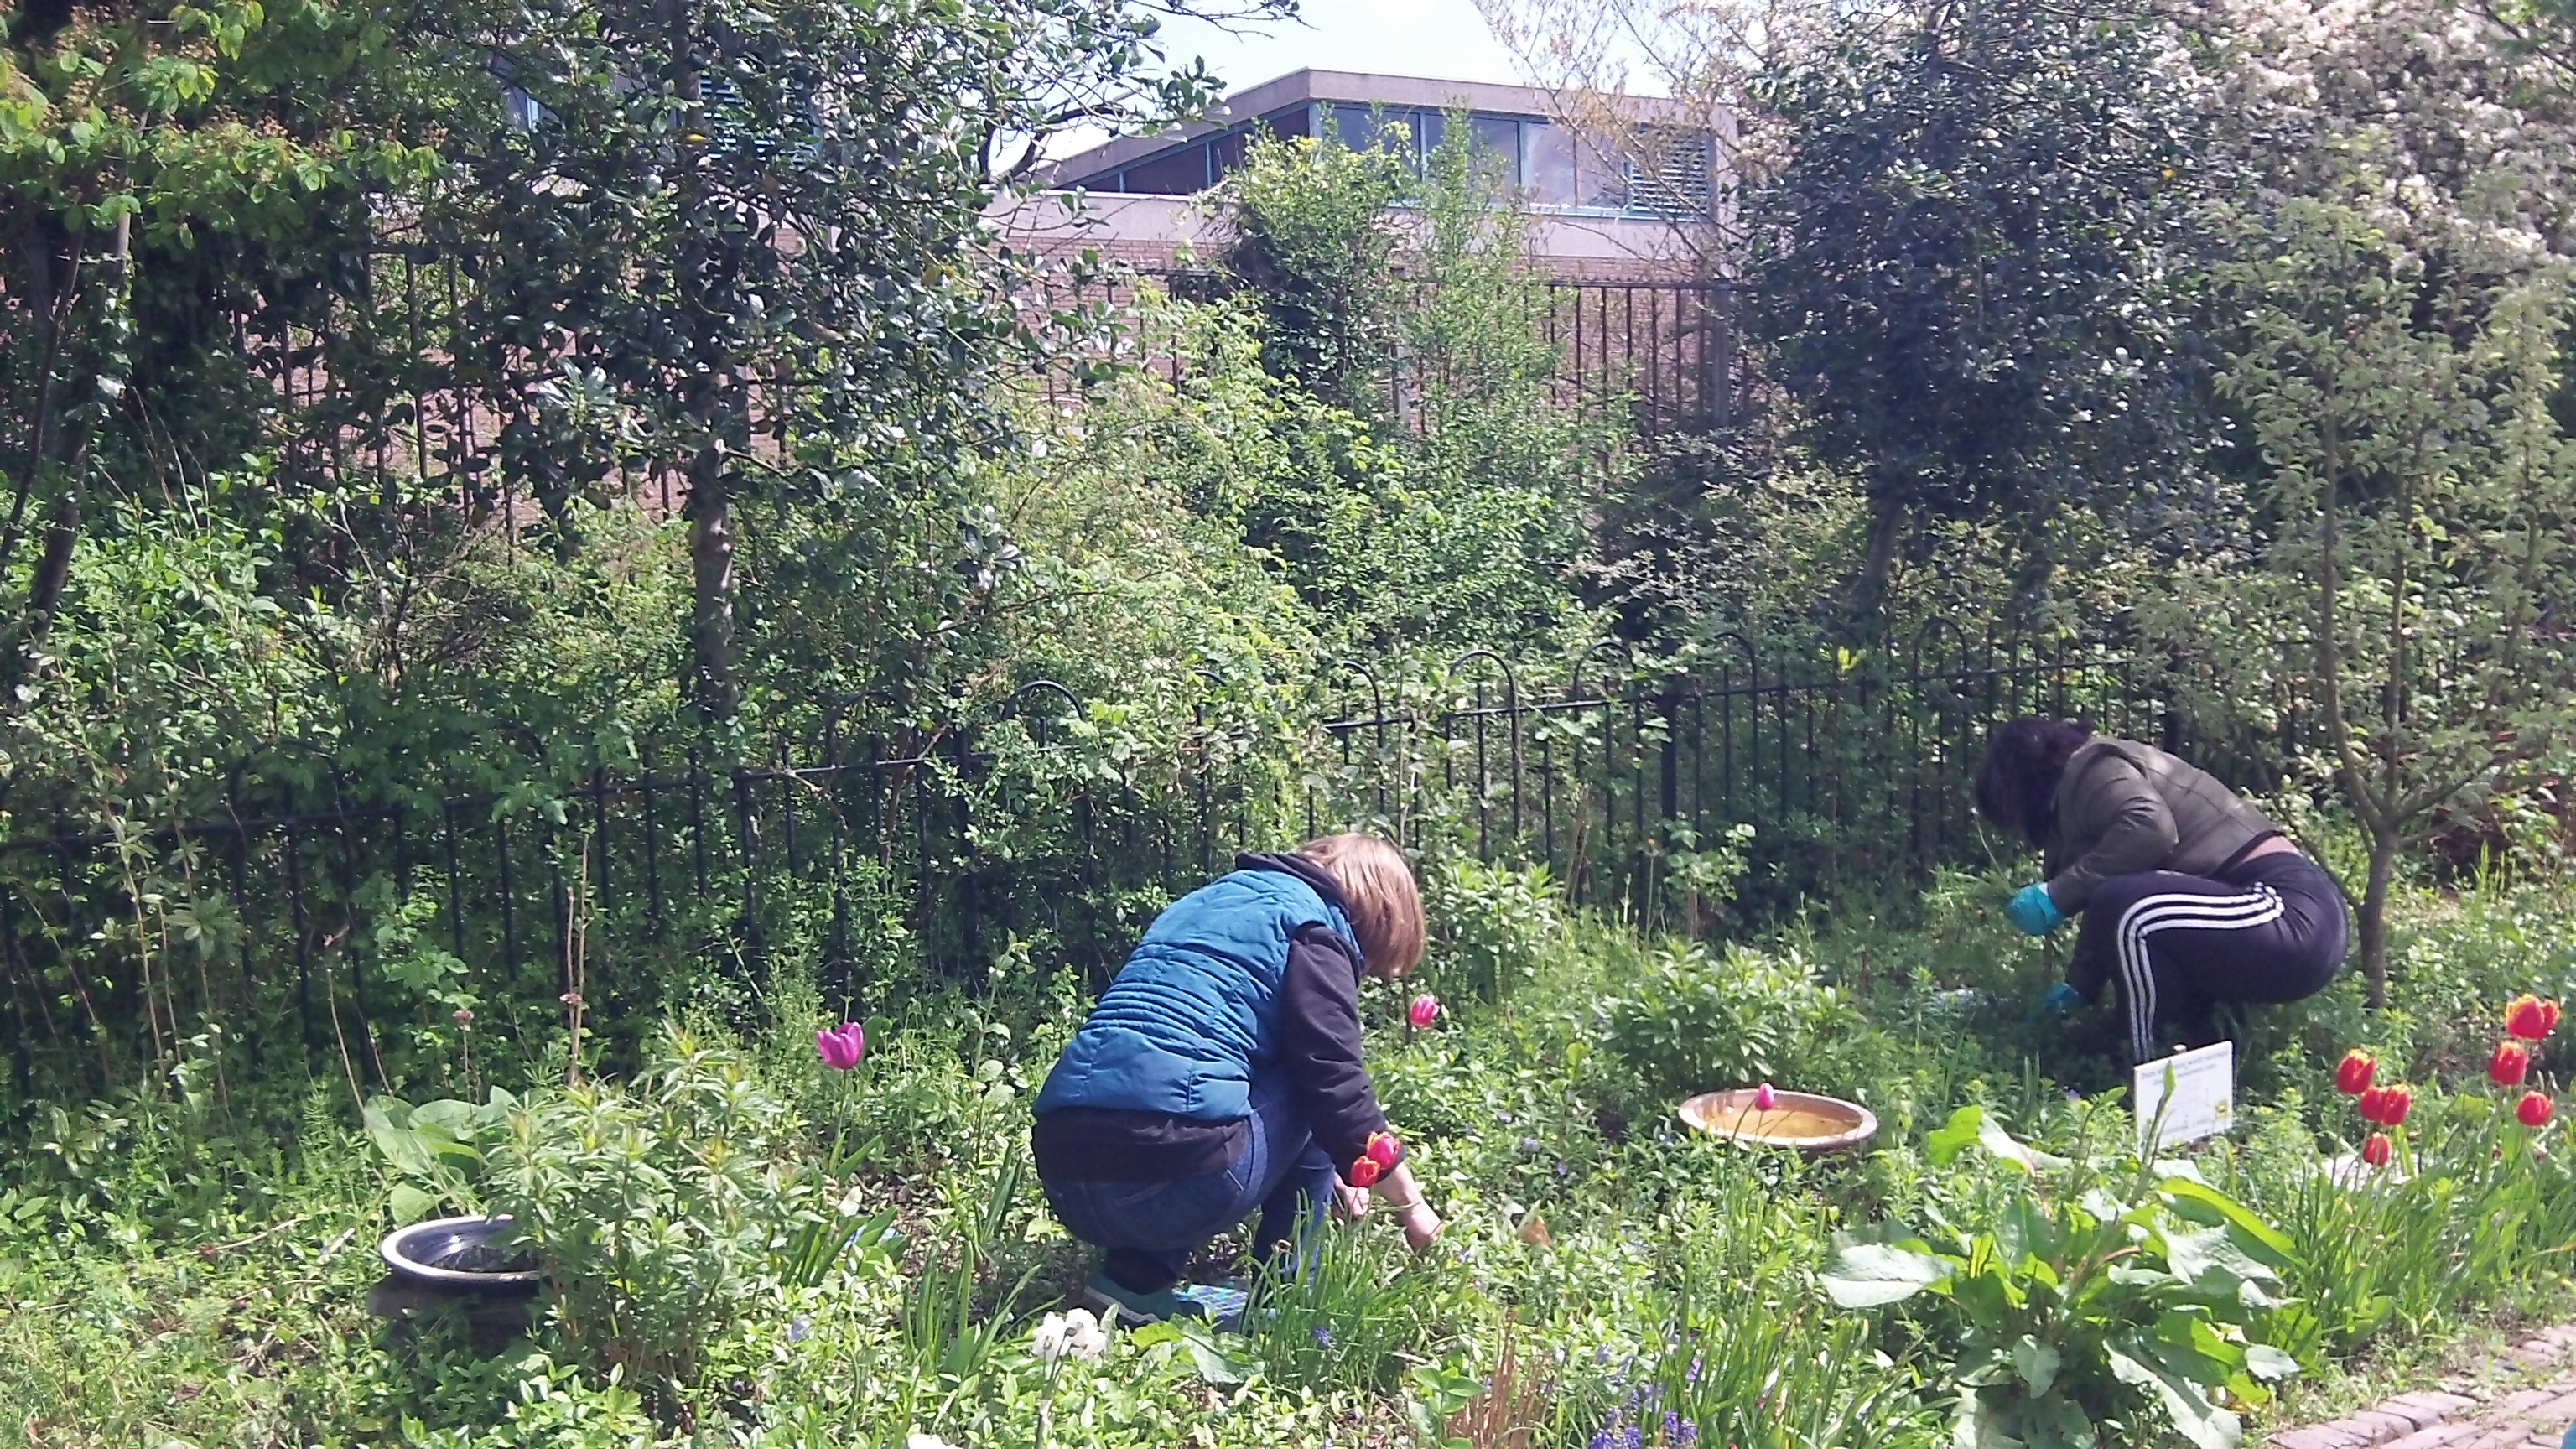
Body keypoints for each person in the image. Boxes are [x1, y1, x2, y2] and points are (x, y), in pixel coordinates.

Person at [1031, 833, 1444, 1327]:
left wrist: (1339, 1160)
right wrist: (1411, 1207)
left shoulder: (1204, 903)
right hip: (1175, 1181)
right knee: (1305, 1078)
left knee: (1200, 1090)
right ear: (1376, 915)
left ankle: (1132, 1284)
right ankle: (1287, 1303)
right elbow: (1334, 1086)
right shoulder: (1314, 928)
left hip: (1065, 1170)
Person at [1974, 717, 2348, 1066]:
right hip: (2266, 914)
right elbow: (2114, 889)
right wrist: (2080, 986)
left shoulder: (2093, 769)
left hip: (2287, 909)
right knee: (2130, 911)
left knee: (2130, 913)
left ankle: (2142, 1069)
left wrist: (2057, 894)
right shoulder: (2079, 800)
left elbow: (2150, 830)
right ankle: (2193, 1074)